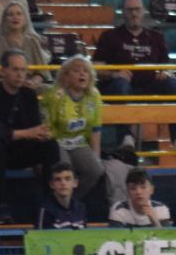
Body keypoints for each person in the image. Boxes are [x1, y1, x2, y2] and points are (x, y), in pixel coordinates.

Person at [0, 51, 58, 223]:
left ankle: (50, 204)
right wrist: (24, 134)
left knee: (51, 146)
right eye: (15, 69)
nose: (20, 75)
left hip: (17, 150)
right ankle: (1, 207)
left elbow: (35, 127)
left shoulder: (29, 95)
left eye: (23, 70)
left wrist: (41, 135)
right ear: (3, 71)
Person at [95, 0, 176, 149]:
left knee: (174, 84)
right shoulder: (109, 36)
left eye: (137, 9)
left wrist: (165, 72)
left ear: (143, 11)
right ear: (123, 12)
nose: (134, 13)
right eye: (130, 10)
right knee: (121, 85)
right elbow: (96, 66)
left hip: (149, 85)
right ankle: (125, 137)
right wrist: (114, 74)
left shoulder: (157, 37)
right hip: (119, 87)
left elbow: (166, 65)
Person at [43, 55, 126, 207]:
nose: (82, 74)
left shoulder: (94, 95)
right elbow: (47, 127)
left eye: (85, 71)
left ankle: (71, 202)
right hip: (57, 141)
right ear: (66, 76)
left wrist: (96, 157)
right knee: (65, 171)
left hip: (79, 142)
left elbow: (95, 129)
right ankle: (59, 205)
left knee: (96, 169)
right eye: (76, 71)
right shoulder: (55, 95)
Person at [0, 1, 50, 86]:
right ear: (4, 20)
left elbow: (42, 72)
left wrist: (33, 82)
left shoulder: (32, 42)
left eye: (19, 14)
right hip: (4, 86)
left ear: (25, 20)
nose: (15, 17)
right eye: (10, 14)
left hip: (30, 86)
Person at [34, 163, 87, 230]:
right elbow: (39, 235)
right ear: (51, 184)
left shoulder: (81, 208)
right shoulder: (44, 210)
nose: (63, 183)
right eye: (58, 179)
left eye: (68, 179)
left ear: (75, 183)